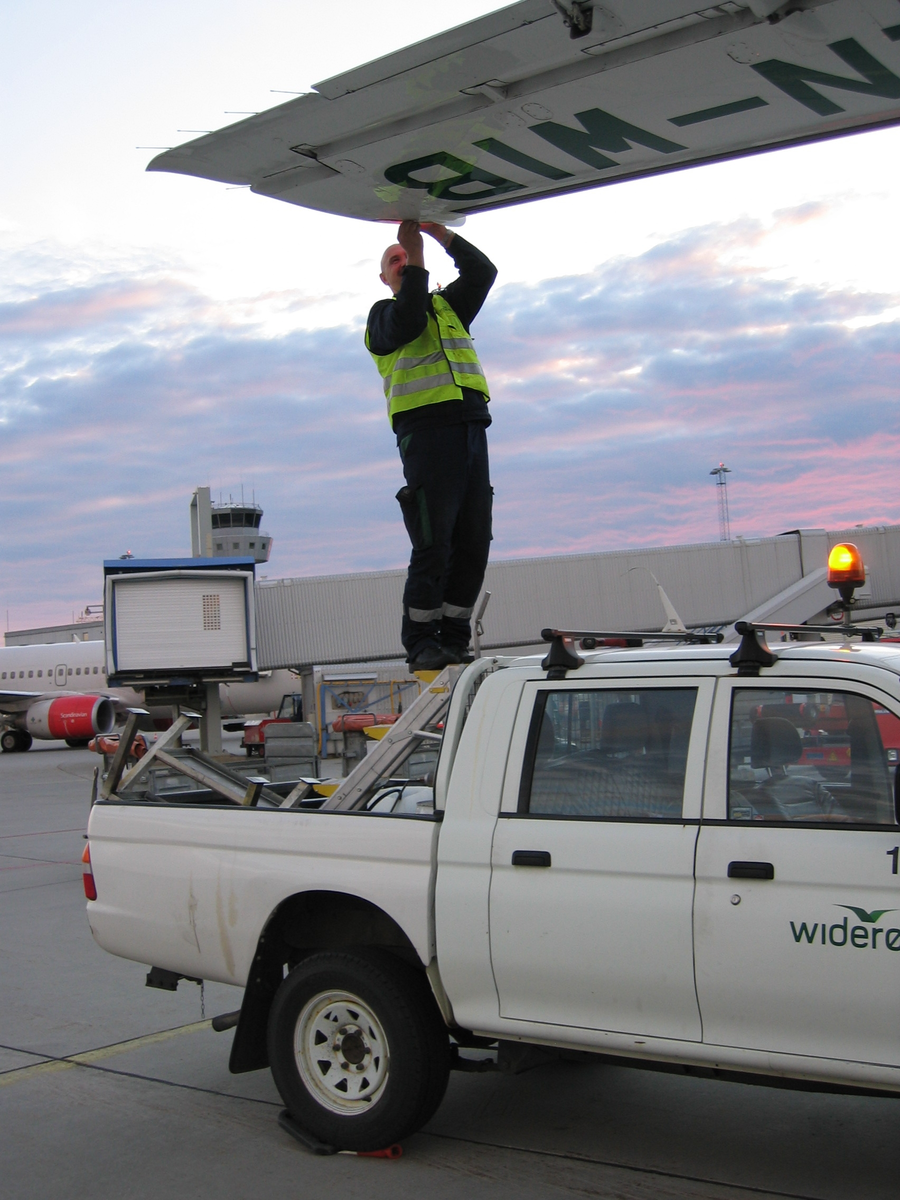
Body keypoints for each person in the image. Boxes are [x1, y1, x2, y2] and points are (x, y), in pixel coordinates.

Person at [366, 219, 497, 671]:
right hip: (426, 433)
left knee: (474, 541)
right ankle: (421, 641)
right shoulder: (382, 316)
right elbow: (408, 317)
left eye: (404, 256)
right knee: (433, 542)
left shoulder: (448, 307)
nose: (403, 261)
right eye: (395, 260)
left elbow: (483, 273)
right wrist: (417, 255)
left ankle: (454, 637)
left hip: (470, 427)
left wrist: (442, 236)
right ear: (384, 278)